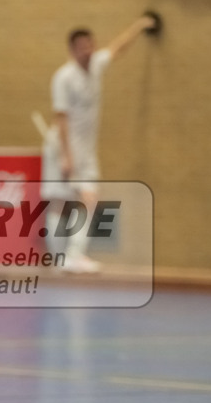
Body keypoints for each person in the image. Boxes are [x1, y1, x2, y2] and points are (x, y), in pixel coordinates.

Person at [43, 15, 156, 273]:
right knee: (59, 203)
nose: (88, 51)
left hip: (86, 149)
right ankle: (59, 257)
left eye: (90, 45)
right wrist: (66, 157)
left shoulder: (96, 65)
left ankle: (74, 255)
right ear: (72, 50)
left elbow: (117, 48)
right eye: (82, 47)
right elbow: (60, 117)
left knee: (90, 198)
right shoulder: (63, 77)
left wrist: (139, 26)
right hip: (62, 147)